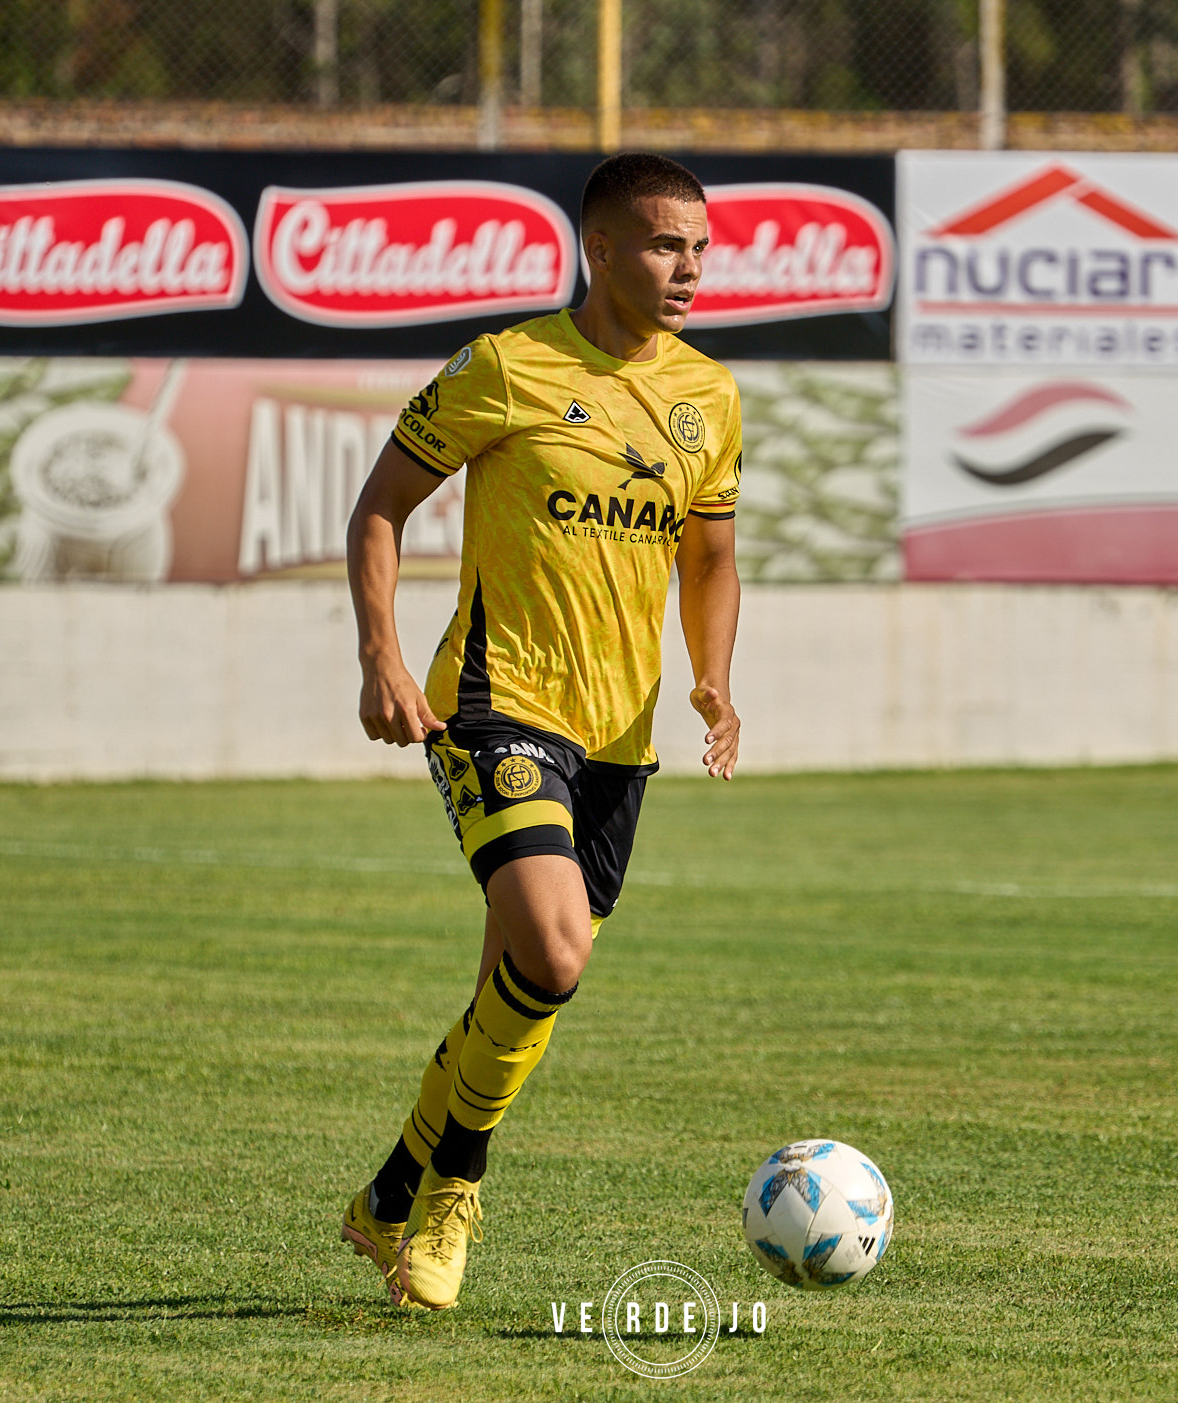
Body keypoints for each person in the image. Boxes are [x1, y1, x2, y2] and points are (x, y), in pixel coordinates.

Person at [338, 152, 744, 1311]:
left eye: (699, 249)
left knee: (519, 983)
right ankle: (454, 1190)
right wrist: (379, 655)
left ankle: (387, 1194)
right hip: (494, 701)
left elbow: (710, 557)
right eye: (664, 245)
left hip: (619, 733)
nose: (687, 269)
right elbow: (379, 507)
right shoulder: (506, 367)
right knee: (555, 953)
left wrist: (714, 679)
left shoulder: (708, 397)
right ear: (599, 250)